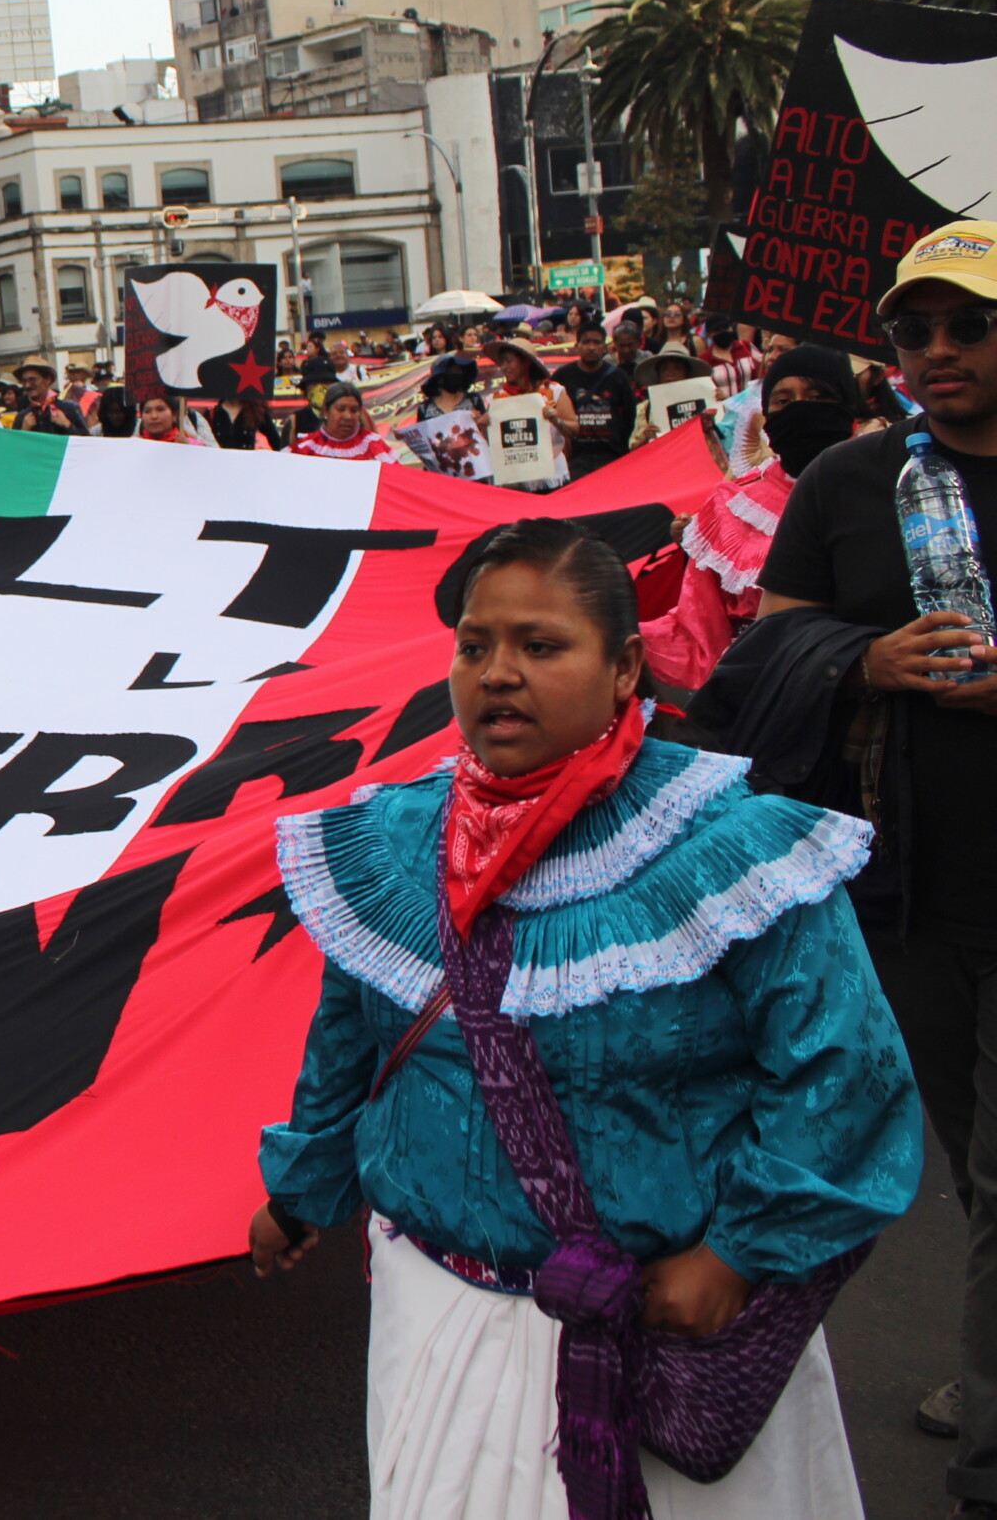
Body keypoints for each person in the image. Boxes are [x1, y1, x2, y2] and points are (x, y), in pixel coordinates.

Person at [255, 517, 917, 1520]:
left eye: (540, 645)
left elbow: (845, 1076)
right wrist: (302, 1190)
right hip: (441, 1313)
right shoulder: (390, 840)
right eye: (474, 646)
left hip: (671, 1332)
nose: (497, 674)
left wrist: (738, 1253)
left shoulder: (732, 847)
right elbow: (347, 1035)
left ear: (624, 671)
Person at [719, 222, 997, 1507]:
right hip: (913, 885)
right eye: (912, 331)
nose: (937, 352)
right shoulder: (849, 482)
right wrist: (868, 660)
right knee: (972, 1158)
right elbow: (766, 655)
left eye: (967, 327)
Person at [638, 347, 860, 694]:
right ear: (767, 416)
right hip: (763, 697)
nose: (801, 409)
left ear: (849, 410)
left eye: (819, 397)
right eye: (784, 401)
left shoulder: (887, 490)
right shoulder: (731, 505)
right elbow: (699, 631)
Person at [553, 322, 640, 480]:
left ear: (605, 347)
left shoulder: (618, 377)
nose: (591, 347)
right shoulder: (562, 376)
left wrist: (619, 443)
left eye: (597, 342)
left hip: (611, 454)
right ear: (576, 346)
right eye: (586, 342)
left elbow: (630, 414)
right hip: (576, 457)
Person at [492, 336, 579, 490]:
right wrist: (484, 424)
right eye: (502, 362)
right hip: (517, 482)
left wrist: (556, 420)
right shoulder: (499, 398)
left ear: (526, 363)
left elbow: (574, 429)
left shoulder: (553, 391)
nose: (504, 367)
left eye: (509, 361)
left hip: (553, 478)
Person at [291, 382, 398, 463]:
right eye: (340, 409)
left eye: (354, 410)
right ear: (326, 410)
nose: (348, 416)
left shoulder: (374, 446)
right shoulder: (305, 449)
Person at [208, 377, 289, 451]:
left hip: (246, 462)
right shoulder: (213, 413)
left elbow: (276, 441)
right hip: (220, 463)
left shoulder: (255, 411)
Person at [15, 365, 86, 434]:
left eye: (32, 380)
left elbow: (87, 441)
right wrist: (24, 431)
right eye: (24, 381)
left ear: (48, 380)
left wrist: (67, 424)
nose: (27, 385)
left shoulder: (69, 408)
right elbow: (14, 445)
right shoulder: (22, 416)